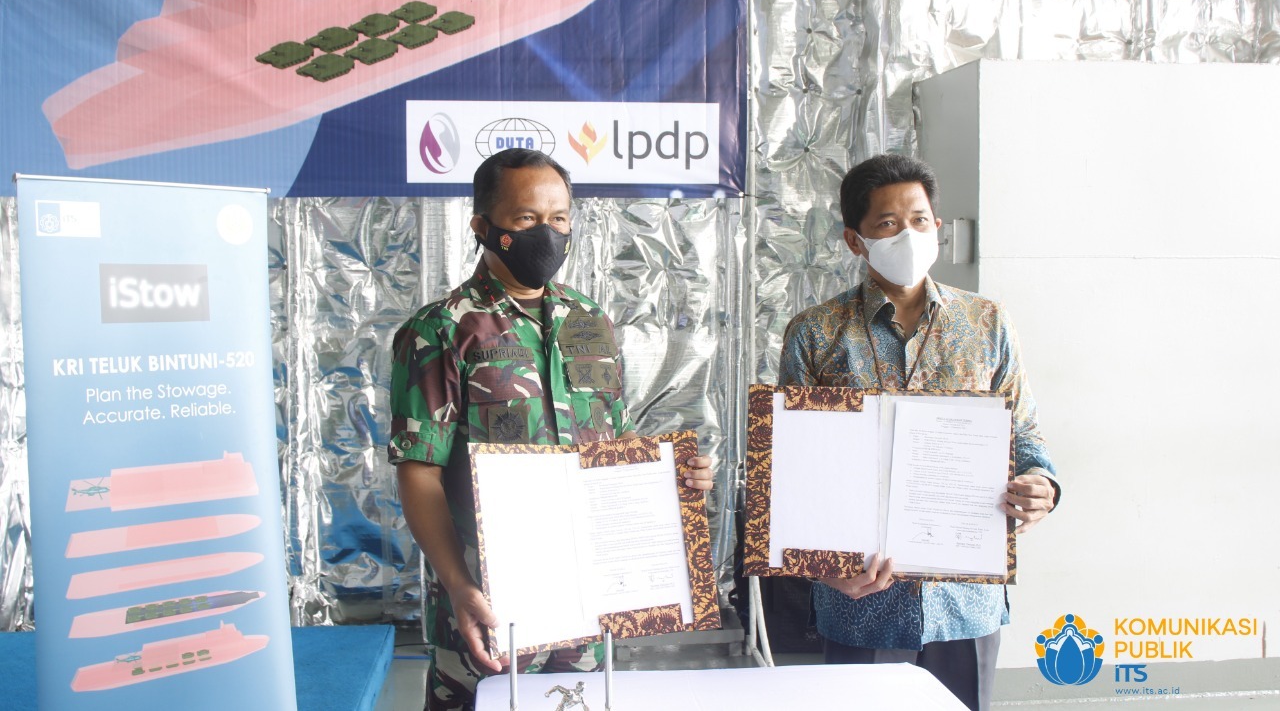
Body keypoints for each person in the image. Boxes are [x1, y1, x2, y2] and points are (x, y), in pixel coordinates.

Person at [388, 148, 713, 711]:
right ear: (483, 227)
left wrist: (673, 475)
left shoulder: (590, 322)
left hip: (585, 597)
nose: (548, 232)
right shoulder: (441, 329)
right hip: (489, 597)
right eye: (526, 219)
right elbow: (420, 471)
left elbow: (614, 444)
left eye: (559, 218)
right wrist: (459, 586)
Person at [778, 154, 1059, 711]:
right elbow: (791, 471)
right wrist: (824, 570)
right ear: (855, 241)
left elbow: (1024, 434)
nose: (908, 233)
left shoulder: (987, 323)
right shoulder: (816, 333)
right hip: (860, 601)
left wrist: (1041, 484)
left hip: (965, 600)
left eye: (920, 219)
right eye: (887, 223)